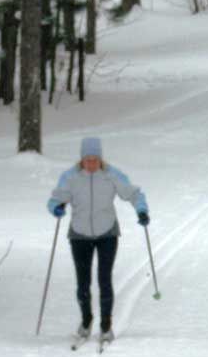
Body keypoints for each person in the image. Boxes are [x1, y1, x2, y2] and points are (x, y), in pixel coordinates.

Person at [47, 137, 149, 342]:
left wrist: (141, 210)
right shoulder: (71, 177)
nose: (91, 163)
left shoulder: (112, 175)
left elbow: (133, 193)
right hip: (79, 234)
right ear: (82, 159)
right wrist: (57, 207)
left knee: (104, 279)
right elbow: (55, 199)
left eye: (94, 159)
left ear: (100, 158)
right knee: (82, 282)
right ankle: (86, 321)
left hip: (107, 233)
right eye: (87, 159)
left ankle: (105, 325)